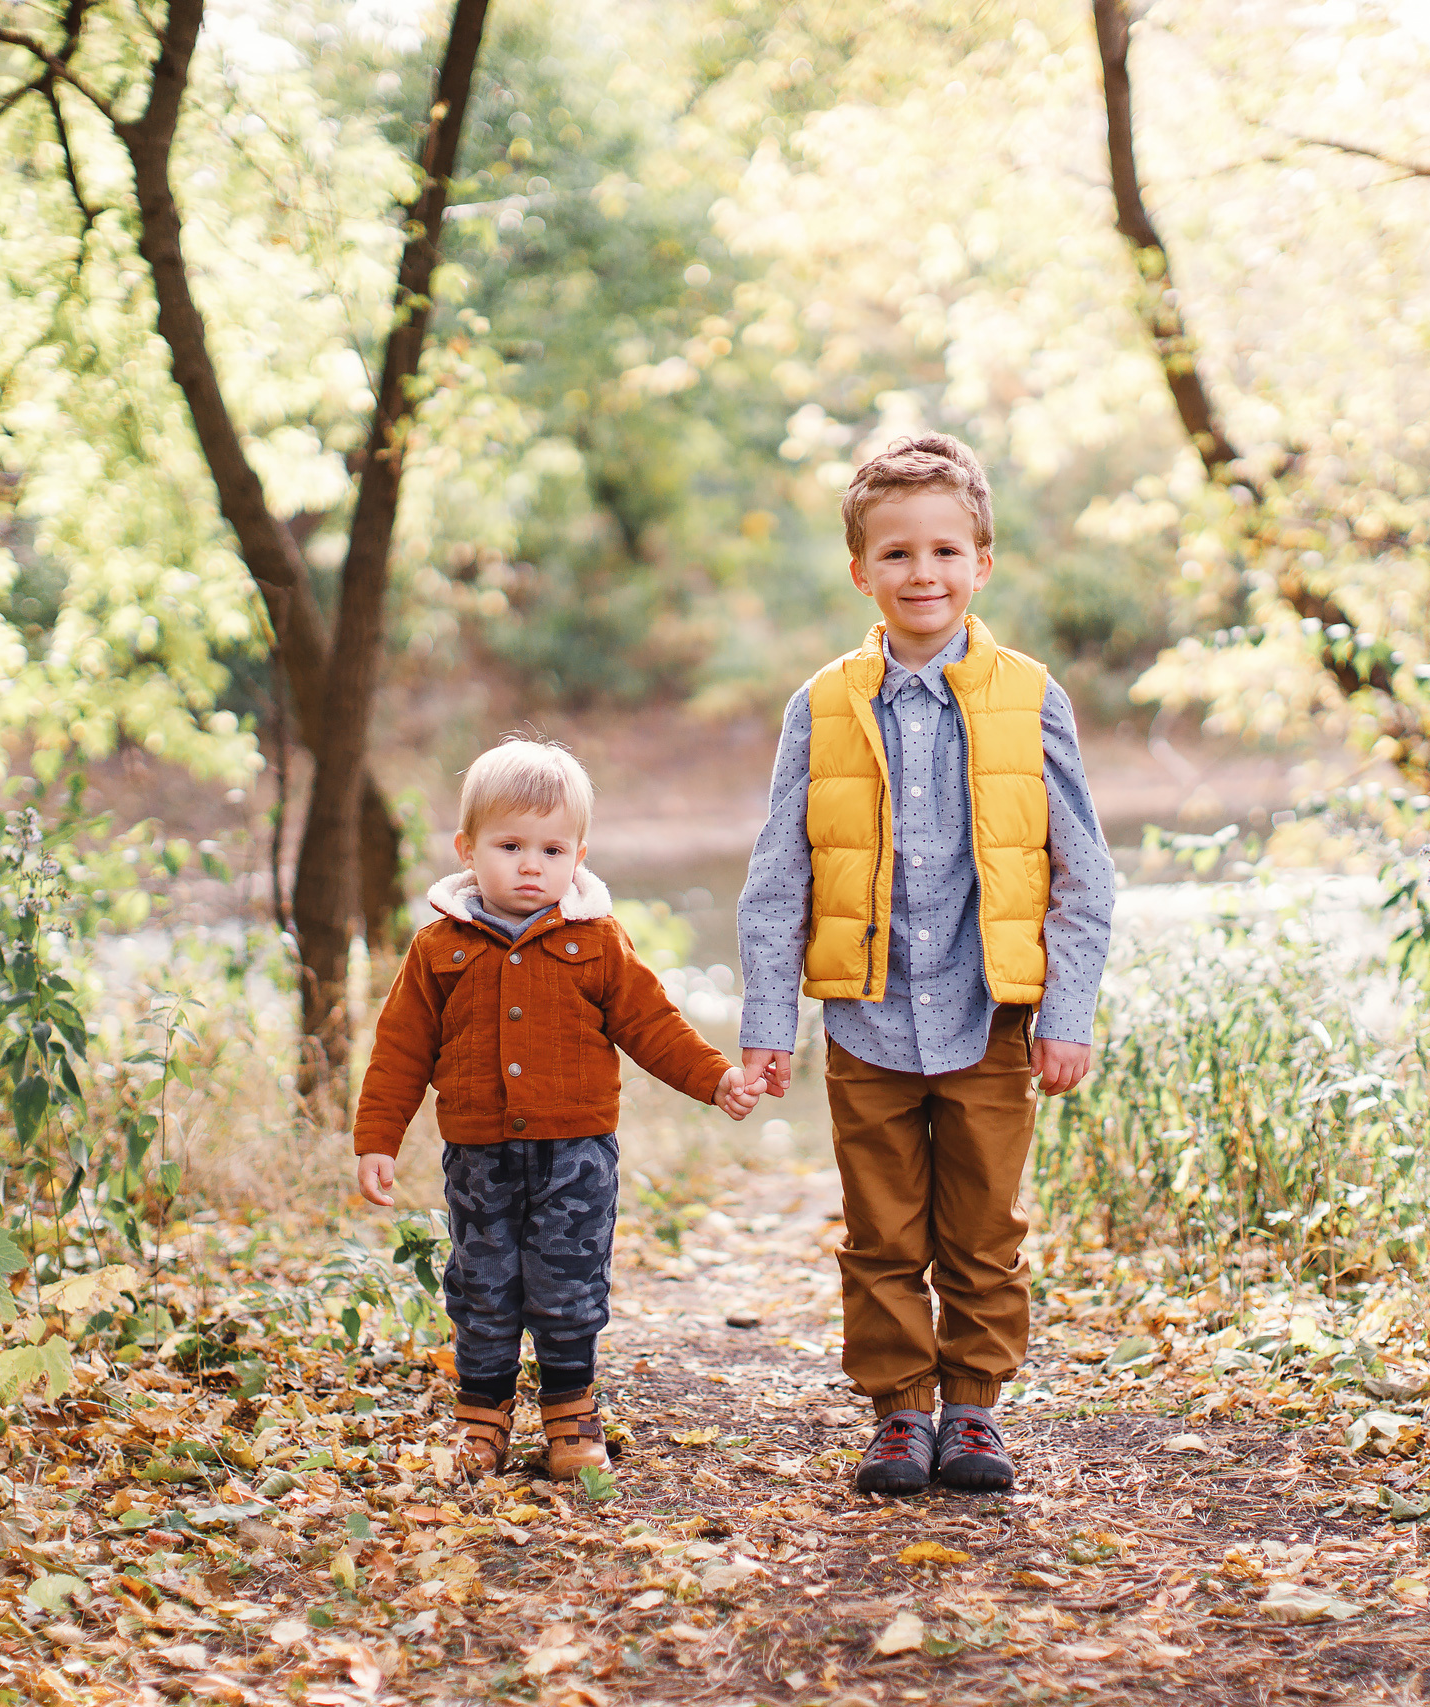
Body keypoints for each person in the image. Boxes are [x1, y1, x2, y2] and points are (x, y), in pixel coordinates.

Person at [737, 433, 1117, 1496]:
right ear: (861, 570)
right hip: (867, 1016)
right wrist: (770, 1021)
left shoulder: (1030, 695)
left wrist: (1065, 1009)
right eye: (897, 554)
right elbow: (779, 873)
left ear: (981, 563)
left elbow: (1082, 869)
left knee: (983, 1232)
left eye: (945, 552)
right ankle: (900, 1412)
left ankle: (976, 1412)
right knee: (880, 1234)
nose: (923, 574)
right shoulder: (821, 704)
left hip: (993, 1014)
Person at [355, 738, 764, 1480]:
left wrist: (715, 1078)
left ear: (580, 853)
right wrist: (377, 1137)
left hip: (576, 1155)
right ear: (467, 849)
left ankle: (570, 1415)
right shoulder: (439, 947)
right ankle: (482, 1419)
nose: (531, 864)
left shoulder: (598, 941)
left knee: (569, 1284)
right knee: (481, 1284)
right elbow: (400, 1050)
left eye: (551, 847)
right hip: (479, 1155)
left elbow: (652, 1025)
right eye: (509, 845)